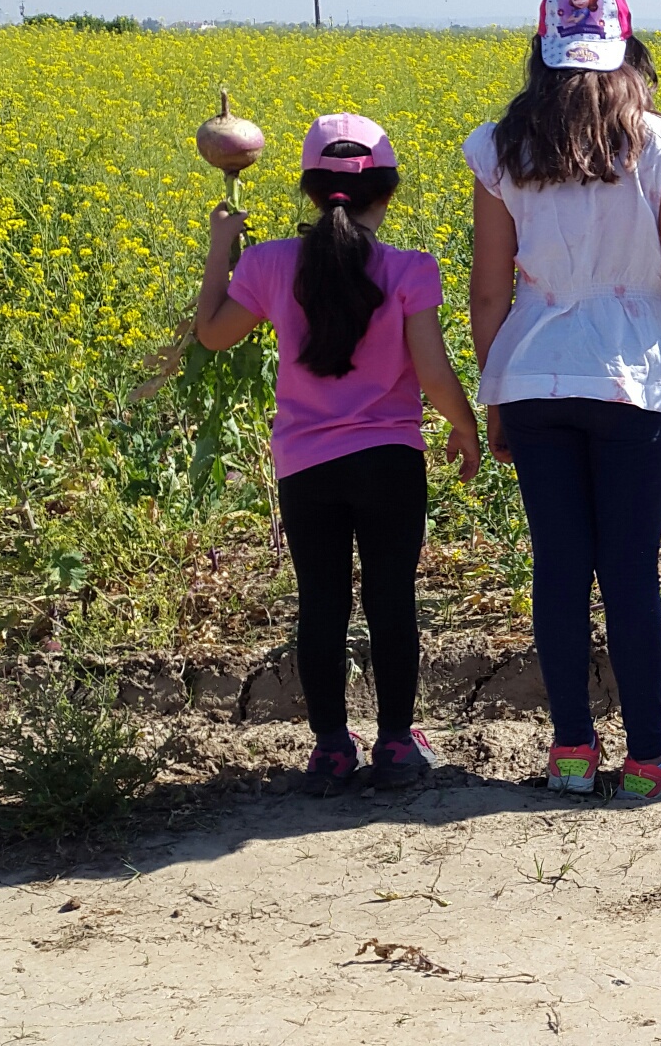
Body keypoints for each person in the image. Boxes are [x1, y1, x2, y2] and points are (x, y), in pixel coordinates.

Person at [466, 0, 661, 802]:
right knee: (628, 568)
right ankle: (650, 756)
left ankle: (572, 752)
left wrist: (497, 392)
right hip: (631, 382)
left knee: (559, 566)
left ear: (543, 54)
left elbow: (487, 290)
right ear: (626, 54)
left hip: (535, 374)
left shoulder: (502, 147)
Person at [195, 113, 481, 796]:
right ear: (387, 192)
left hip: (305, 466)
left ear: (311, 191)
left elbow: (210, 336)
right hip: (388, 460)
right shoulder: (410, 269)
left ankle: (328, 748)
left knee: (320, 600)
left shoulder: (267, 265)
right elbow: (434, 375)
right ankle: (395, 744)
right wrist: (466, 426)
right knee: (391, 598)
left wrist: (221, 246)